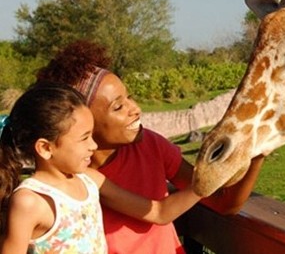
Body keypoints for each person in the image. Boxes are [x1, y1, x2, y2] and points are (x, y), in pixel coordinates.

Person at [35, 40, 264, 253]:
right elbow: (160, 212)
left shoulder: (150, 145)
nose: (135, 109)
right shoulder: (76, 180)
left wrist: (257, 151)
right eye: (118, 107)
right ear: (84, 122)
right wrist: (207, 180)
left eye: (129, 98)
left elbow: (223, 202)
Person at [0, 83, 207, 254]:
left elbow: (159, 213)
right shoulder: (30, 201)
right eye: (84, 138)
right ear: (46, 148)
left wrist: (206, 182)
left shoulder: (89, 179)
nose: (94, 145)